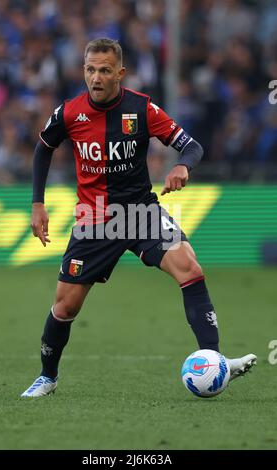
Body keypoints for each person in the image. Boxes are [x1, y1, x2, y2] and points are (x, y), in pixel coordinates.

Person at [21, 38, 256, 397]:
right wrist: (37, 204)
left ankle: (215, 361)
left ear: (120, 73)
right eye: (89, 70)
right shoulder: (69, 112)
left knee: (189, 268)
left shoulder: (142, 109)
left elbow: (192, 146)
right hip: (94, 219)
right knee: (65, 306)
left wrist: (181, 165)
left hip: (140, 212)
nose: (95, 78)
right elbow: (43, 149)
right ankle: (47, 377)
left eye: (104, 70)